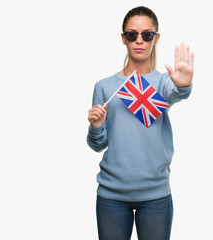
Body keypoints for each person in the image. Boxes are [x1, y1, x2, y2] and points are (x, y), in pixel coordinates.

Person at [87, 6, 194, 240]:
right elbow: (97, 145)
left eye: (147, 35)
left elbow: (176, 93)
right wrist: (96, 126)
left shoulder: (164, 82)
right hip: (111, 195)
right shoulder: (103, 87)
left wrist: (183, 85)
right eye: (131, 34)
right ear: (123, 38)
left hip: (156, 195)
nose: (139, 41)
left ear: (156, 38)